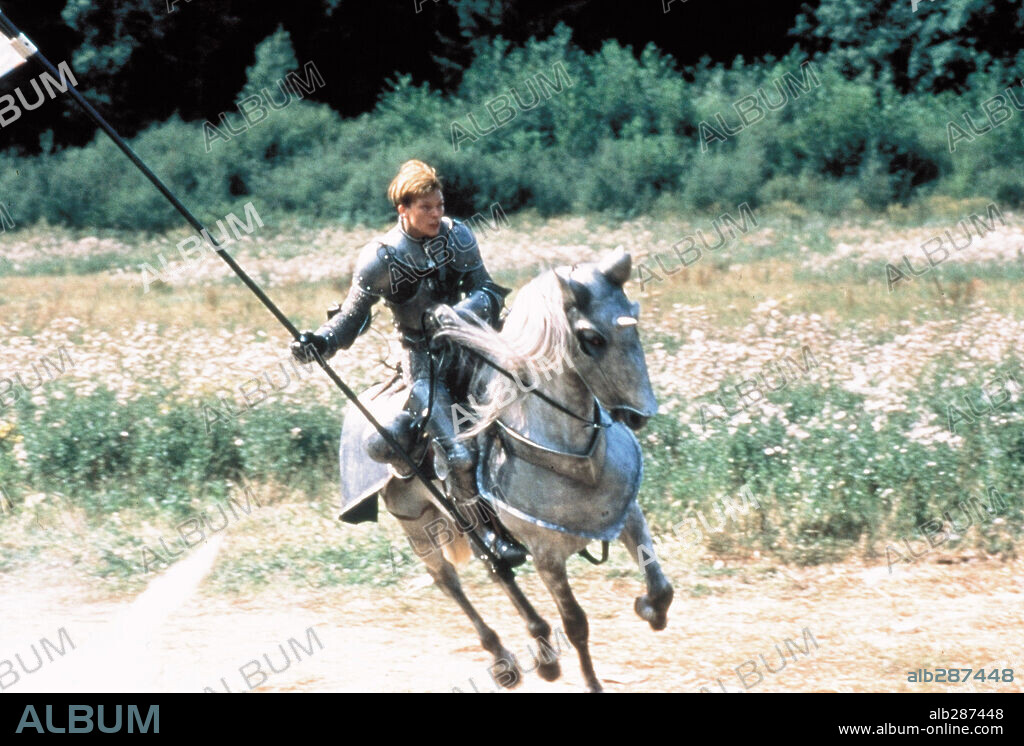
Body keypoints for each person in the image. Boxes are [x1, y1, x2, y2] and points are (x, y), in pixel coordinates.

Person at [291, 159, 526, 567]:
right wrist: (320, 341)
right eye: (426, 208)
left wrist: (459, 313)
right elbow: (352, 319)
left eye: (439, 205)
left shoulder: (458, 237)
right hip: (424, 365)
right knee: (459, 455)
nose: (437, 214)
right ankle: (487, 535)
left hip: (474, 349)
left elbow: (487, 291)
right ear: (404, 210)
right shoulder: (380, 258)